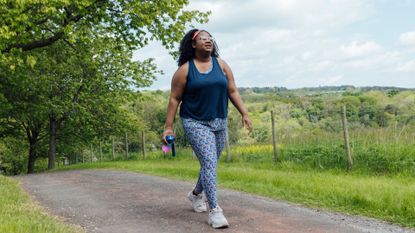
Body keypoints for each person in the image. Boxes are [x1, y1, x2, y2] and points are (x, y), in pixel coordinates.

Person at [162, 29, 252, 229]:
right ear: (193, 45)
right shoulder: (184, 71)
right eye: (203, 38)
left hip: (220, 122)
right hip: (195, 122)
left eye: (210, 38)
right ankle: (215, 211)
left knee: (209, 164)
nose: (208, 40)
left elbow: (232, 90)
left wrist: (244, 113)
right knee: (210, 163)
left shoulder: (221, 65)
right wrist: (168, 127)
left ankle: (195, 195)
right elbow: (174, 99)